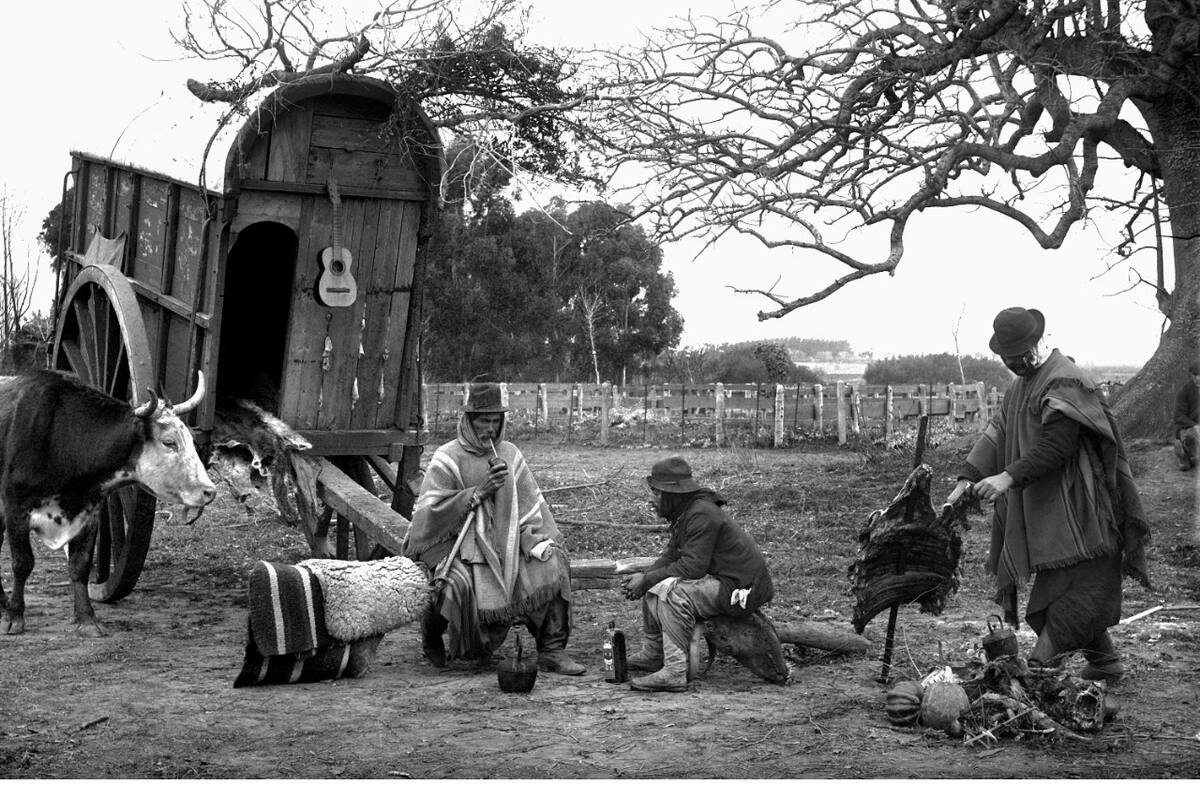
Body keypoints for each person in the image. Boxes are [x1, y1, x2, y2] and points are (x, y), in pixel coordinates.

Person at [950, 307, 1151, 685]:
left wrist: (1007, 478)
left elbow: (1055, 448)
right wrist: (967, 479)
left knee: (1081, 591)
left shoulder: (1066, 381)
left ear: (1040, 340)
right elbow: (997, 433)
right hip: (1052, 513)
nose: (1016, 364)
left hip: (1085, 512)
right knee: (1060, 586)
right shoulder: (1021, 385)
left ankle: (1038, 665)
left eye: (1022, 356)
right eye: (1008, 360)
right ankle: (1105, 662)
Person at [402, 383, 585, 675]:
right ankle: (439, 637)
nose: (489, 428)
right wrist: (478, 492)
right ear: (468, 421)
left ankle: (551, 649)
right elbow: (429, 517)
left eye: (494, 421)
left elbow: (529, 506)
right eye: (483, 421)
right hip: (458, 543)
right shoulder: (448, 457)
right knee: (456, 583)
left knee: (551, 563)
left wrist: (536, 539)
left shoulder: (510, 454)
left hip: (508, 539)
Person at [620, 456, 775, 692]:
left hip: (741, 588)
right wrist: (646, 578)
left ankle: (674, 671)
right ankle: (654, 653)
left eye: (657, 493)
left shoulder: (701, 514)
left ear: (673, 494)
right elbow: (672, 555)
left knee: (672, 594)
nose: (652, 500)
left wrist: (649, 578)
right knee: (655, 584)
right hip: (727, 581)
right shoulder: (688, 512)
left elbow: (693, 568)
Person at [1172, 361, 1199, 471]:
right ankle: (1183, 455)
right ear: (1191, 376)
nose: (1198, 378)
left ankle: (1191, 457)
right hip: (1188, 428)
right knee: (1191, 437)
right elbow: (1178, 416)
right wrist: (1195, 426)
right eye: (1195, 375)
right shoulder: (1185, 391)